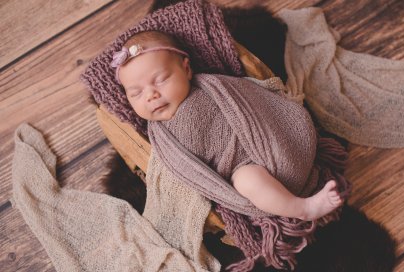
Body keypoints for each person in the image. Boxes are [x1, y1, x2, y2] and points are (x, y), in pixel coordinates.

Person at [111, 30, 344, 221]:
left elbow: (249, 99)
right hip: (240, 168)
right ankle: (302, 209)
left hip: (267, 141)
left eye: (161, 80)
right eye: (136, 93)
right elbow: (184, 171)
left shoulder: (212, 87)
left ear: (186, 69)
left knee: (296, 118)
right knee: (247, 180)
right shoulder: (160, 136)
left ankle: (295, 196)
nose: (151, 95)